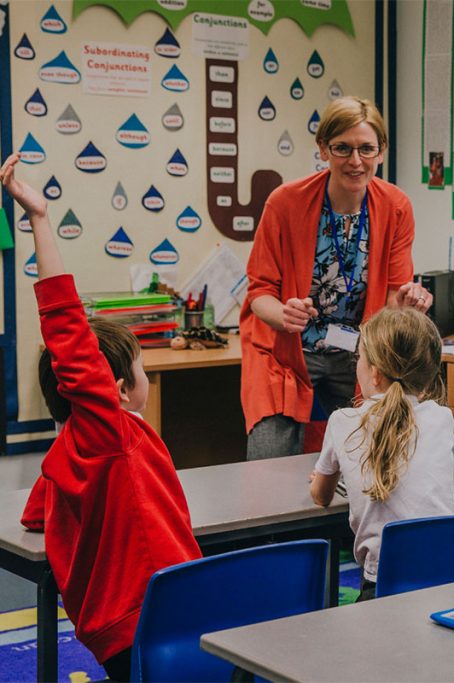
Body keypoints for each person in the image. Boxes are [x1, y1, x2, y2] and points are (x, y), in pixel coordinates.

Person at [2, 153, 201, 681]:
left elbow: (38, 513)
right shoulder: (109, 433)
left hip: (127, 626)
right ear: (113, 391)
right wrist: (40, 219)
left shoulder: (70, 450)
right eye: (142, 369)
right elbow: (65, 326)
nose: (147, 378)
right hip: (153, 615)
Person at [243, 96, 432, 460]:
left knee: (371, 455)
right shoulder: (285, 203)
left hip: (360, 353)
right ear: (323, 149)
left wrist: (404, 304)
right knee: (269, 461)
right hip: (288, 350)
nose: (355, 161)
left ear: (381, 151)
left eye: (366, 149)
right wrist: (284, 313)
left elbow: (393, 295)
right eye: (342, 148)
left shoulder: (395, 207)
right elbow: (259, 293)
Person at [309, 307, 454, 601]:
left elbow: (321, 496)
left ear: (375, 373)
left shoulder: (343, 422)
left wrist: (323, 477)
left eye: (359, 358)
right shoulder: (441, 417)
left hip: (382, 585)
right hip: (448, 575)